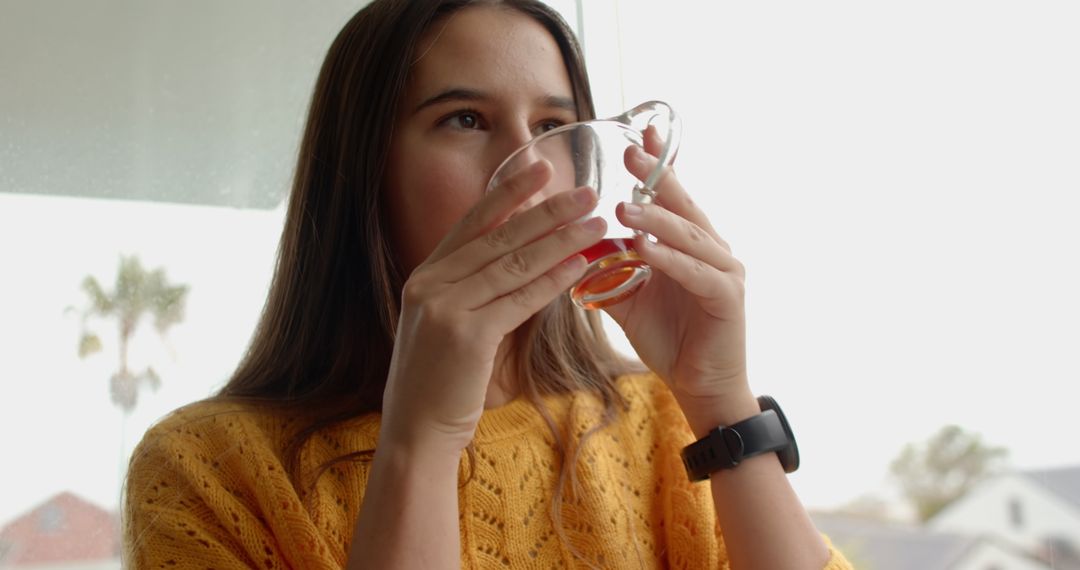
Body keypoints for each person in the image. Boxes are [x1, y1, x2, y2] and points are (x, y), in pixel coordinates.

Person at [123, 0, 853, 568]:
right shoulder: (205, 469)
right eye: (465, 119)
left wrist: (721, 402)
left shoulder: (659, 420)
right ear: (361, 173)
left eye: (554, 125)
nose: (531, 167)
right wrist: (422, 441)